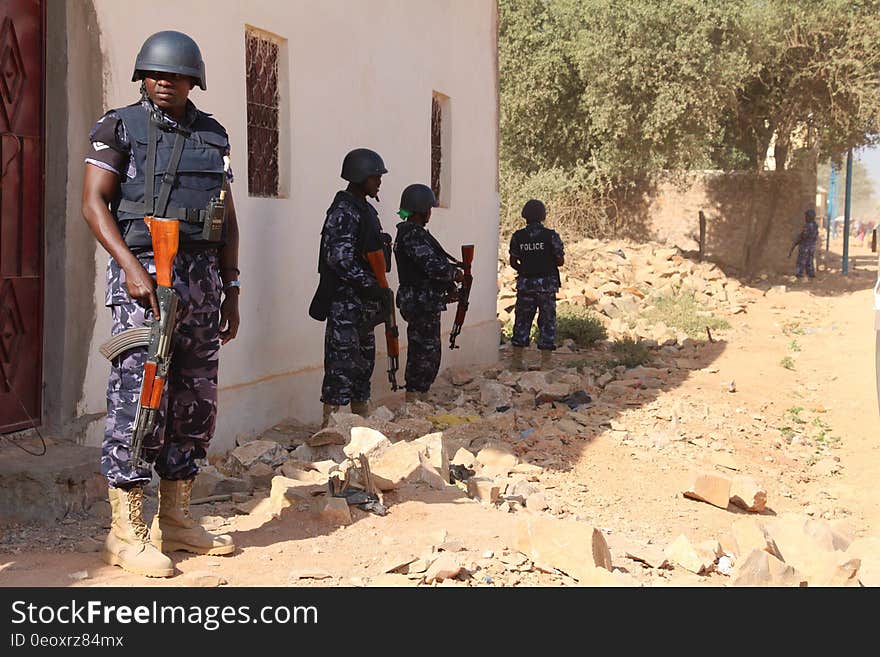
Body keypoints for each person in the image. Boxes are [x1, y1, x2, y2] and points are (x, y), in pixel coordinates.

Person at [81, 31, 239, 578]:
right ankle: (125, 529)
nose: (164, 83)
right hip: (145, 273)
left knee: (195, 397)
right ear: (142, 79)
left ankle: (176, 517)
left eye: (174, 76)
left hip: (200, 278)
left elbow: (227, 214)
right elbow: (93, 202)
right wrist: (130, 268)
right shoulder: (119, 126)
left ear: (194, 80)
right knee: (139, 394)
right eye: (155, 75)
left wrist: (231, 286)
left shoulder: (212, 135)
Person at [315, 148, 391, 428]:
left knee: (363, 366)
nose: (379, 182)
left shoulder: (366, 210)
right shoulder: (344, 211)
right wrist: (369, 284)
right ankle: (331, 428)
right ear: (360, 177)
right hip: (345, 303)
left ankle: (361, 426)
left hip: (363, 305)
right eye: (375, 177)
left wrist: (378, 289)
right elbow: (339, 258)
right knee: (340, 366)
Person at [392, 184, 464, 402]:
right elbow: (432, 267)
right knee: (423, 353)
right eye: (428, 209)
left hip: (424, 301)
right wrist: (455, 274)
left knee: (427, 352)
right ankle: (415, 400)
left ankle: (420, 398)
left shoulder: (415, 234)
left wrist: (448, 289)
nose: (431, 213)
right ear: (420, 210)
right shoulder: (412, 235)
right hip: (419, 302)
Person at [508, 199, 564, 371]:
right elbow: (560, 261)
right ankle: (545, 363)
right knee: (547, 321)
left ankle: (517, 361)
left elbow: (513, 261)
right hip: (546, 286)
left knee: (522, 320)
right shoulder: (551, 236)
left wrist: (526, 269)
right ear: (542, 216)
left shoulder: (518, 236)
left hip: (525, 285)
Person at [791, 208, 819, 279]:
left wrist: (797, 241)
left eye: (807, 216)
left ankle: (799, 274)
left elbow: (804, 236)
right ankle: (811, 274)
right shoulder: (815, 225)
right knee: (809, 260)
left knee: (802, 260)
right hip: (811, 246)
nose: (805, 218)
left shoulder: (808, 226)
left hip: (806, 246)